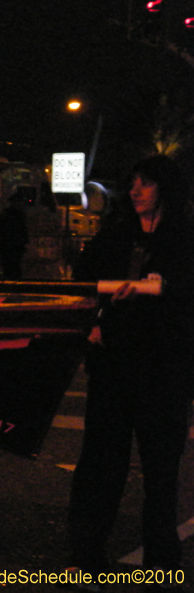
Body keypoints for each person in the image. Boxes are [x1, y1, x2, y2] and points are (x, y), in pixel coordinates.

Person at [66, 155, 194, 590]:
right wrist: (98, 319)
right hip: (115, 364)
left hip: (165, 366)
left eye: (146, 183)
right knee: (101, 462)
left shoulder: (184, 238)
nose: (136, 190)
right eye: (132, 182)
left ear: (167, 188)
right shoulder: (115, 235)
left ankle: (162, 558)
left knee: (160, 469)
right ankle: (85, 554)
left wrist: (164, 287)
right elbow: (83, 288)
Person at [0, 192, 29, 279]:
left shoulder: (7, 214)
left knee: (10, 266)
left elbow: (0, 229)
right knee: (14, 265)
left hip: (9, 244)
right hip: (13, 244)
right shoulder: (17, 215)